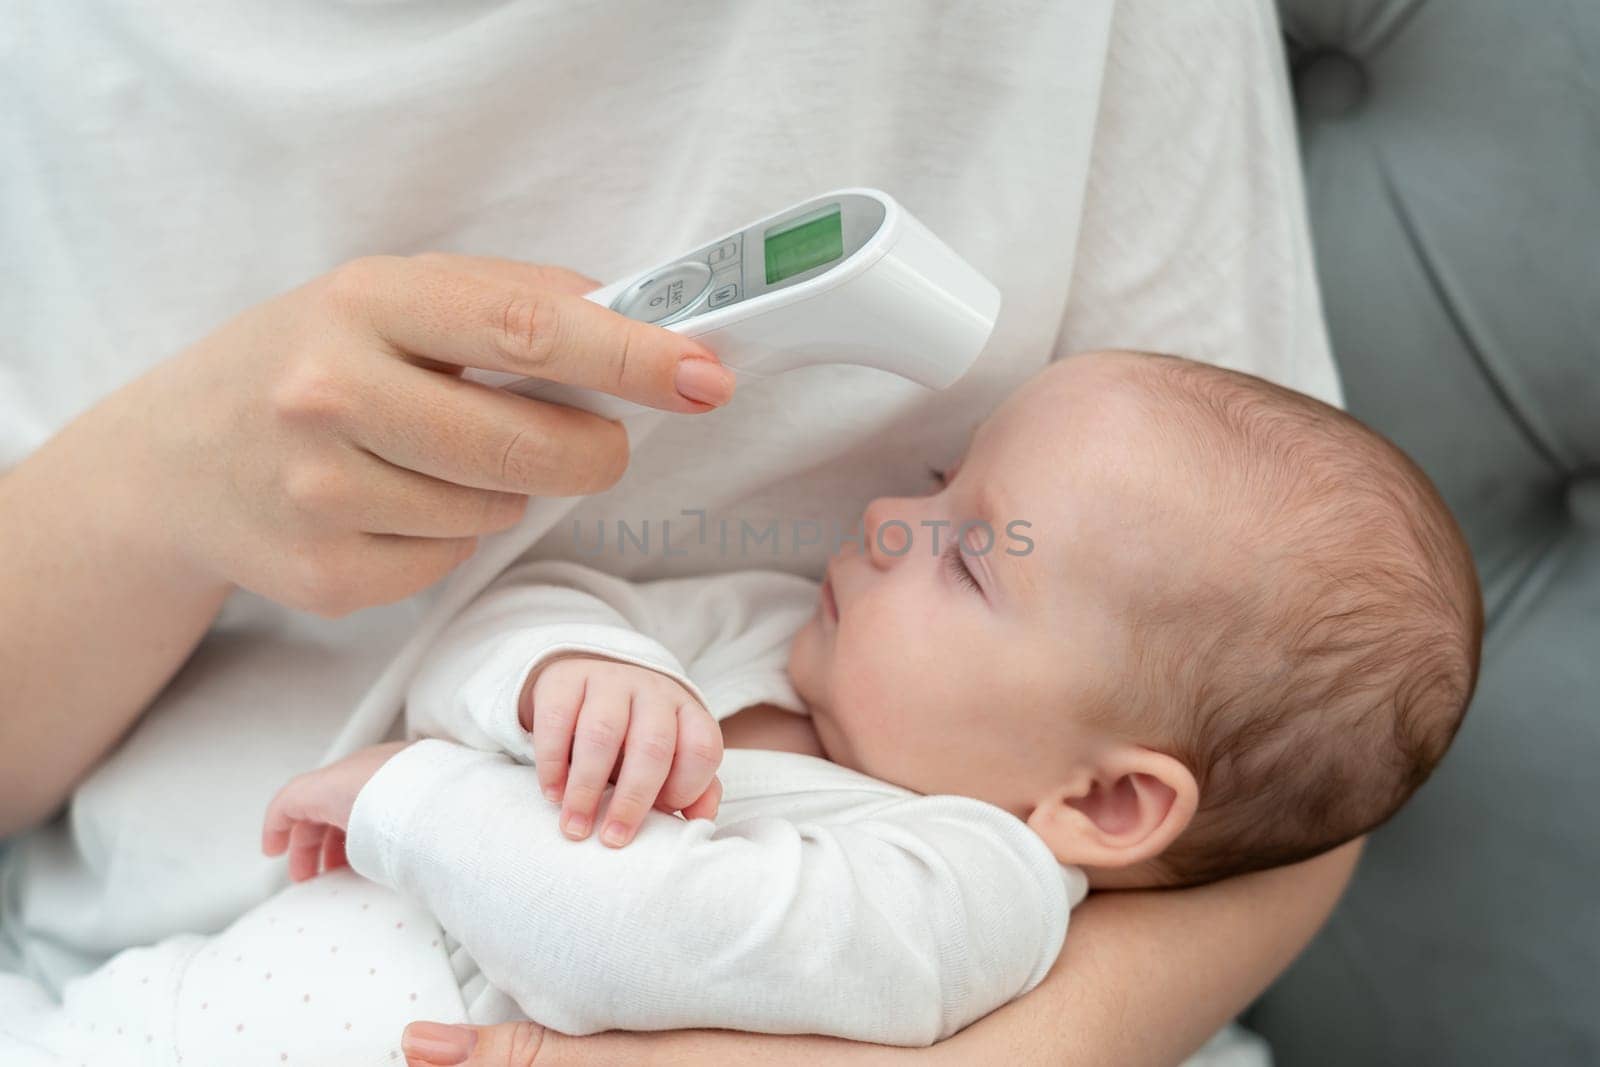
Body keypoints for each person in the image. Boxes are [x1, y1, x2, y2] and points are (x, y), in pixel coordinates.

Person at [0, 2, 1362, 1065]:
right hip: (172, 984)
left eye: (963, 552)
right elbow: (523, 614)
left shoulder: (973, 886)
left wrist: (415, 801)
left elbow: (645, 940)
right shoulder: (774, 632)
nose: (889, 515)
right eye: (938, 480)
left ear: (1105, 803)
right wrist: (562, 674)